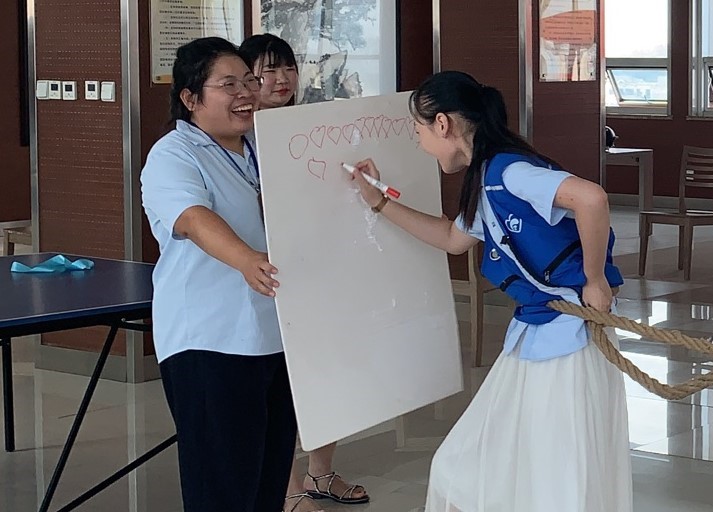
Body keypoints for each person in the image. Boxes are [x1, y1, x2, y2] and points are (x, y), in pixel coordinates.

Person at [348, 71, 633, 511]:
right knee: (488, 461)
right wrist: (379, 203)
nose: (420, 142)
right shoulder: (487, 181)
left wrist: (594, 279)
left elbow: (591, 199)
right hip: (540, 328)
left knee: (557, 463)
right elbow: (452, 238)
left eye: (419, 130)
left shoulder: (509, 172)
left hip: (567, 332)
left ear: (442, 124)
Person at [140, 37, 297, 512]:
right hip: (210, 341)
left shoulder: (263, 145)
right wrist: (246, 258)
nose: (245, 92)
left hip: (276, 336)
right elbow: (192, 218)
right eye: (228, 84)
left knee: (267, 481)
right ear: (191, 98)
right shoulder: (174, 154)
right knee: (223, 489)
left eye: (249, 80)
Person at [238, 33, 370, 512]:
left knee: (325, 372)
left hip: (319, 265)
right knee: (281, 381)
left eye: (288, 68)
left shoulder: (312, 125)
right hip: (269, 270)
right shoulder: (240, 136)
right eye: (267, 70)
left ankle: (321, 472)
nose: (281, 79)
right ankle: (288, 487)